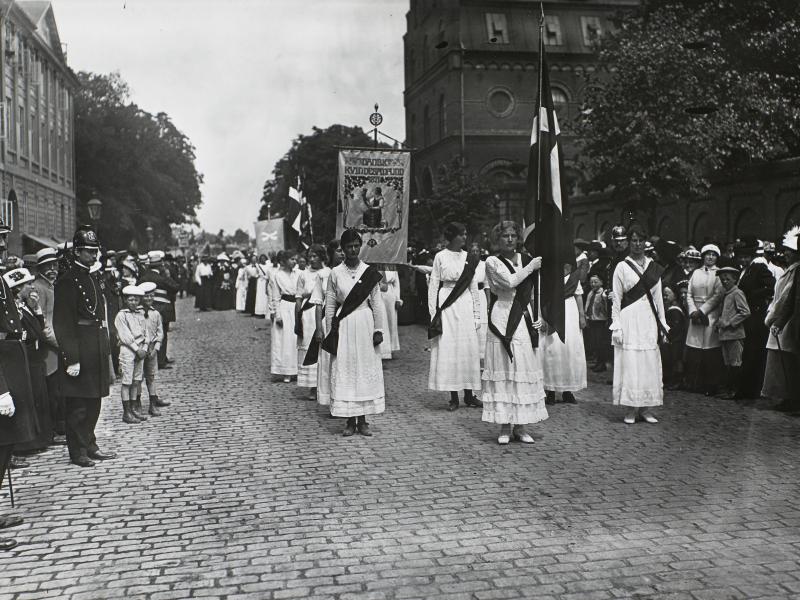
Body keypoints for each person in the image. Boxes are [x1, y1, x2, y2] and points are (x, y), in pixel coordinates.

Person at [53, 227, 116, 467]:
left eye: (95, 251)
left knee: (94, 401)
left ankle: (90, 444)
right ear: (77, 252)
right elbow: (62, 324)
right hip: (80, 347)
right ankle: (77, 451)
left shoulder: (92, 276)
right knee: (79, 405)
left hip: (95, 344)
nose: (94, 255)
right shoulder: (67, 281)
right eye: (89, 251)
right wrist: (72, 358)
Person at [481, 221, 545, 444]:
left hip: (524, 316)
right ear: (497, 240)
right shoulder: (491, 262)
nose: (509, 240)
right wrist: (530, 268)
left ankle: (521, 425)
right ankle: (504, 426)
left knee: (522, 367)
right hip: (503, 315)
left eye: (513, 236)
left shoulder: (527, 259)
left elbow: (535, 292)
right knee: (504, 368)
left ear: (518, 238)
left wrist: (540, 317)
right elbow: (509, 283)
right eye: (504, 236)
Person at [324, 230, 386, 436]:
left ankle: (364, 420)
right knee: (347, 367)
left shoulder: (369, 272)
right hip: (345, 324)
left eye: (356, 246)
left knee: (364, 367)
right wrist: (329, 331)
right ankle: (350, 421)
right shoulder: (335, 273)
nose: (352, 250)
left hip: (365, 322)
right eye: (348, 246)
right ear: (342, 249)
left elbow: (377, 303)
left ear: (361, 246)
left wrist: (378, 329)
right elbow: (331, 304)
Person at [610, 224, 668, 424]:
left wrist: (663, 323)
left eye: (640, 241)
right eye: (633, 241)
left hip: (649, 319)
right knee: (631, 363)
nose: (637, 245)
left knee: (648, 362)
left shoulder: (653, 267)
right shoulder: (622, 266)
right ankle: (630, 408)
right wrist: (616, 324)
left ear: (645, 243)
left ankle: (646, 408)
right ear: (628, 243)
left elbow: (658, 298)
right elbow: (616, 298)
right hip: (629, 318)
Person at [427, 222, 482, 411]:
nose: (465, 237)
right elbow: (433, 285)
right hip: (447, 304)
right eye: (462, 234)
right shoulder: (440, 257)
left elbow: (473, 286)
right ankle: (453, 397)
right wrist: (434, 313)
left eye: (466, 233)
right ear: (453, 236)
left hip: (465, 302)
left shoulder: (469, 258)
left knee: (467, 349)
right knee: (450, 349)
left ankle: (469, 395)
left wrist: (477, 314)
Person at [762, 226, 800, 413]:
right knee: (782, 360)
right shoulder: (790, 270)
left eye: (789, 252)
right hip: (785, 319)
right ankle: (786, 395)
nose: (785, 254)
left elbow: (786, 297)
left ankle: (792, 397)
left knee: (789, 360)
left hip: (792, 321)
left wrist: (773, 318)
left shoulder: (795, 272)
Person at [735, 237, 775, 401]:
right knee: (748, 353)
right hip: (748, 315)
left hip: (756, 315)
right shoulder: (744, 270)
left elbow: (772, 286)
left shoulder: (758, 267)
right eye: (741, 256)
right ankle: (746, 389)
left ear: (751, 256)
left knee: (753, 353)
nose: (743, 259)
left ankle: (750, 390)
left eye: (746, 256)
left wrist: (752, 296)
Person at [31, 247, 65, 444]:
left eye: (55, 265)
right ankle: (51, 432)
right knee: (51, 393)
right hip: (49, 349)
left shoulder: (54, 286)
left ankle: (60, 428)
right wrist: (60, 344)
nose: (53, 269)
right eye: (47, 267)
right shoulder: (38, 288)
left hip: (58, 346)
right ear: (40, 268)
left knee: (60, 391)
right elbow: (42, 323)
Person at [542, 263, 587, 404]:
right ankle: (550, 390)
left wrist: (581, 315)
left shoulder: (574, 275)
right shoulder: (547, 274)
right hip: (553, 311)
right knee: (553, 350)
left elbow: (578, 296)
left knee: (569, 349)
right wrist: (543, 317)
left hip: (570, 312)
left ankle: (568, 390)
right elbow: (541, 296)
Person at [685, 244, 725, 395]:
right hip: (695, 314)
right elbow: (689, 293)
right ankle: (695, 383)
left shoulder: (719, 274)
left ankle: (711, 385)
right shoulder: (696, 272)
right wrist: (693, 311)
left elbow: (718, 295)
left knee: (710, 351)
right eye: (707, 254)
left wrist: (702, 311)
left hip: (710, 314)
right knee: (695, 350)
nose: (710, 257)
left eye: (713, 255)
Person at [310, 240, 342, 409]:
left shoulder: (349, 272)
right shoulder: (323, 274)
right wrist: (319, 328)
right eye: (338, 250)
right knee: (328, 361)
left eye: (343, 250)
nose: (342, 253)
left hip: (345, 321)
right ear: (331, 253)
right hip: (328, 321)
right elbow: (317, 302)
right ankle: (331, 400)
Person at [138, 251, 180, 370]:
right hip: (162, 309)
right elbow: (176, 287)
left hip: (147, 309)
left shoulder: (143, 278)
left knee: (148, 334)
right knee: (162, 334)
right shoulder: (162, 278)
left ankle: (151, 359)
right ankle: (161, 360)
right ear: (160, 266)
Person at [714, 266, 751, 399]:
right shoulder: (725, 294)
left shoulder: (737, 293)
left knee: (736, 363)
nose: (724, 281)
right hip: (724, 335)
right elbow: (723, 312)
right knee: (728, 363)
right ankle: (728, 390)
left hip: (735, 335)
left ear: (735, 279)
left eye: (728, 279)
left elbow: (745, 312)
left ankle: (735, 391)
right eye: (722, 279)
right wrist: (719, 323)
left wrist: (729, 322)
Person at [114, 285, 147, 424]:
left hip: (140, 349)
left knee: (136, 380)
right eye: (131, 299)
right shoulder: (122, 315)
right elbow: (125, 335)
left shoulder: (140, 314)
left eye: (136, 300)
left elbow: (146, 333)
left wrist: (144, 348)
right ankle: (126, 412)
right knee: (127, 381)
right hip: (128, 349)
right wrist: (136, 348)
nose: (134, 302)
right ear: (125, 300)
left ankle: (134, 408)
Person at [295, 245, 325, 399]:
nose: (312, 259)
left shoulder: (328, 272)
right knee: (309, 347)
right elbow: (299, 297)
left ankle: (325, 385)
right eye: (310, 256)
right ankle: (312, 386)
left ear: (321, 256)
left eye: (315, 256)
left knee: (324, 347)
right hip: (308, 314)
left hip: (323, 312)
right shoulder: (303, 275)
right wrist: (298, 318)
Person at [269, 250, 299, 382]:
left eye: (295, 259)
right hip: (285, 306)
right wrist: (278, 315)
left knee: (296, 338)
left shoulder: (299, 273)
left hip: (297, 306)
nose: (295, 261)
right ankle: (286, 371)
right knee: (285, 339)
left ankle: (298, 369)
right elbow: (275, 296)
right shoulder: (277, 276)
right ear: (284, 261)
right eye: (292, 259)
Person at [138, 281, 166, 416]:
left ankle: (153, 404)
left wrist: (157, 347)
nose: (149, 299)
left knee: (151, 376)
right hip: (139, 349)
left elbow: (160, 332)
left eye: (151, 296)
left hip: (152, 348)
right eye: (146, 296)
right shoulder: (136, 313)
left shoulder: (156, 314)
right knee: (137, 377)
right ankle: (136, 404)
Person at [661, 286, 687, 390]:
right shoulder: (671, 308)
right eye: (664, 295)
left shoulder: (675, 310)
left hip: (677, 339)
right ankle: (673, 380)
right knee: (673, 359)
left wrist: (670, 337)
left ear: (675, 295)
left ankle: (677, 381)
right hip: (674, 339)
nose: (665, 297)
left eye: (667, 294)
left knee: (676, 359)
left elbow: (676, 327)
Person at [584, 273, 609, 372]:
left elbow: (607, 307)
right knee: (594, 342)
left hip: (600, 321)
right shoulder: (591, 293)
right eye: (591, 282)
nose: (593, 284)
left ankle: (602, 364)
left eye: (595, 282)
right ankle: (598, 362)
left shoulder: (603, 294)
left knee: (600, 343)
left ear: (601, 282)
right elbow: (587, 305)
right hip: (592, 320)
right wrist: (586, 316)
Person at [469, 243, 489, 362]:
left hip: (481, 295)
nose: (475, 253)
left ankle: (482, 356)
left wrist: (488, 302)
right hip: (469, 295)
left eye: (477, 251)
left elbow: (487, 285)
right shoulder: (466, 265)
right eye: (473, 251)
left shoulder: (484, 265)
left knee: (482, 324)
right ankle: (470, 355)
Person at [379, 269, 402, 359]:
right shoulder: (373, 263)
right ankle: (381, 348)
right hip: (377, 290)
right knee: (380, 320)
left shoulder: (391, 265)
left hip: (389, 292)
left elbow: (396, 283)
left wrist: (398, 299)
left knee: (391, 320)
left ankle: (391, 347)